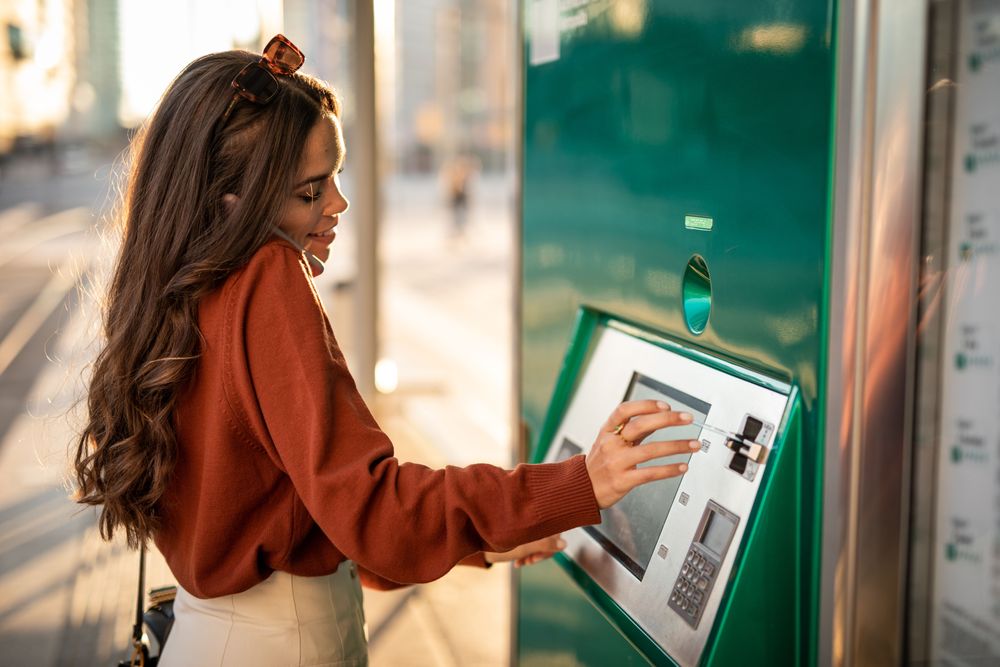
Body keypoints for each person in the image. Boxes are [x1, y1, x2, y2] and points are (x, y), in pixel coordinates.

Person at [72, 36, 701, 667]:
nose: (338, 204)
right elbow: (376, 512)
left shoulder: (180, 290)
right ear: (229, 199)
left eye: (336, 176)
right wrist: (577, 482)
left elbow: (308, 514)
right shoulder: (266, 277)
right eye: (310, 191)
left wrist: (483, 541)